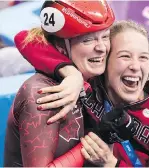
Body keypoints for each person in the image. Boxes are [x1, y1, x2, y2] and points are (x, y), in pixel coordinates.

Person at [15, 19, 149, 166]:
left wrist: (111, 164)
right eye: (125, 56)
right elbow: (25, 38)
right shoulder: (90, 83)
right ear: (105, 60)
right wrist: (71, 73)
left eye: (143, 58)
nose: (135, 66)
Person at [4, 0, 115, 166]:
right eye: (88, 40)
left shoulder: (96, 74)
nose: (101, 48)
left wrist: (72, 73)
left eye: (105, 37)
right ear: (60, 46)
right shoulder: (42, 94)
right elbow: (24, 38)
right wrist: (97, 143)